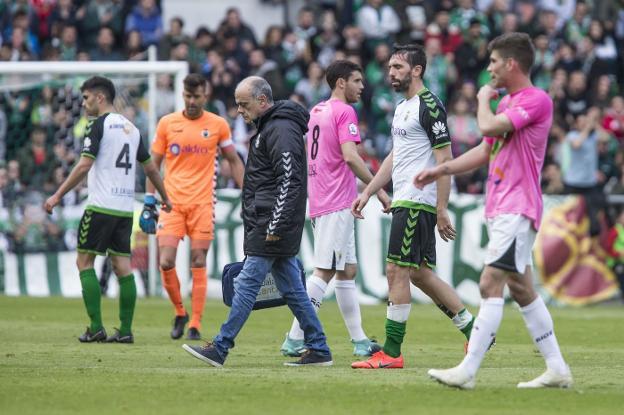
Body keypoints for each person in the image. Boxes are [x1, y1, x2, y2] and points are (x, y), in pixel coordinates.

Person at [415, 32, 573, 389]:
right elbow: (486, 150)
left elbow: (485, 126)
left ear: (511, 64)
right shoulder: (507, 106)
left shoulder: (536, 100)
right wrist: (442, 169)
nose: (490, 70)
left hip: (518, 207)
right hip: (502, 206)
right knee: (521, 288)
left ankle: (467, 371)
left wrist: (482, 99)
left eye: (494, 62)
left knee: (490, 283)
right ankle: (557, 368)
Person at [182, 76, 332, 367]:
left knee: (247, 284)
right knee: (292, 290)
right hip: (269, 221)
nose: (240, 110)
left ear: (262, 102)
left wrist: (275, 225)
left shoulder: (280, 128)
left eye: (244, 104)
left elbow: (289, 181)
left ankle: (221, 347)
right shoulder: (272, 127)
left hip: (272, 224)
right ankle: (319, 348)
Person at [351, 44, 480, 370]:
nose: (390, 73)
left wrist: (441, 208)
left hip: (416, 201)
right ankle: (474, 332)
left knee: (395, 270)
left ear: (417, 70)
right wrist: (369, 191)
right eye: (390, 67)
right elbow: (396, 157)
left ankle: (392, 352)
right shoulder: (403, 107)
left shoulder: (430, 105)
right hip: (405, 198)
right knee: (419, 274)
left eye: (397, 67)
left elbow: (444, 159)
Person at [44, 76, 171, 343]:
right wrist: (165, 197)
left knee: (84, 262)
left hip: (101, 206)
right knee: (123, 267)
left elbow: (83, 166)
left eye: (87, 98)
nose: (84, 103)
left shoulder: (97, 126)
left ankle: (95, 327)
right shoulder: (132, 129)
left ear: (100, 98)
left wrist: (57, 194)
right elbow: (150, 168)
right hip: (125, 210)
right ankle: (125, 331)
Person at [280, 60, 391, 358]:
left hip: (322, 196)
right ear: (341, 82)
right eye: (357, 80)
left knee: (347, 270)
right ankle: (294, 338)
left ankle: (359, 341)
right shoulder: (345, 111)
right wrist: (377, 189)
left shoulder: (317, 111)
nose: (362, 86)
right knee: (326, 270)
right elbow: (351, 157)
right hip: (335, 200)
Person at [140, 73, 244, 341]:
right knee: (165, 262)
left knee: (198, 261)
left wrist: (247, 194)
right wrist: (149, 201)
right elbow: (152, 165)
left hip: (202, 204)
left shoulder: (218, 125)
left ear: (205, 96)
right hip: (170, 202)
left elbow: (233, 160)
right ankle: (179, 312)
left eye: (196, 96)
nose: (192, 101)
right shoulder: (167, 123)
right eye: (188, 96)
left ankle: (195, 323)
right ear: (182, 95)